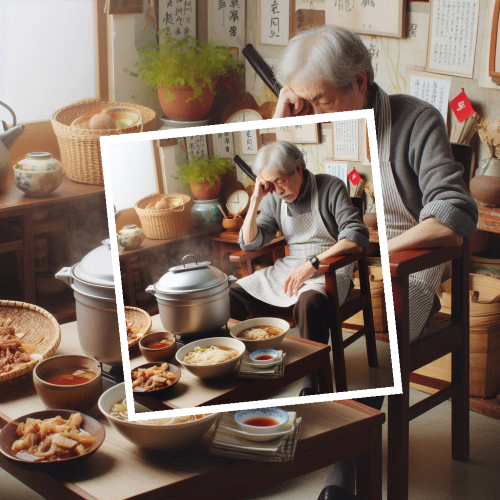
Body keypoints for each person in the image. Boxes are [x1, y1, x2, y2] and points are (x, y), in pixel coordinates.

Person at [272, 25, 478, 500]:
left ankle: (342, 476)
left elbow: (455, 212)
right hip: (369, 247)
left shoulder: (417, 119)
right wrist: (285, 111)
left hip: (417, 258)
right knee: (310, 297)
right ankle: (314, 403)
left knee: (383, 357)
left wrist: (388, 253)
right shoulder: (339, 110)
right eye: (304, 100)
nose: (310, 110)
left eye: (318, 99)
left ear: (360, 82)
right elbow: (279, 160)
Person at [230, 140, 369, 395]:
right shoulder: (272, 198)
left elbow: (356, 235)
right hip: (291, 266)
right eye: (270, 183)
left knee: (309, 304)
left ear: (298, 169)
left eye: (280, 180)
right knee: (232, 294)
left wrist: (313, 264)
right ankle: (247, 369)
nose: (278, 190)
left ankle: (312, 379)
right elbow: (249, 243)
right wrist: (255, 199)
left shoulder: (330, 187)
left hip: (330, 266)